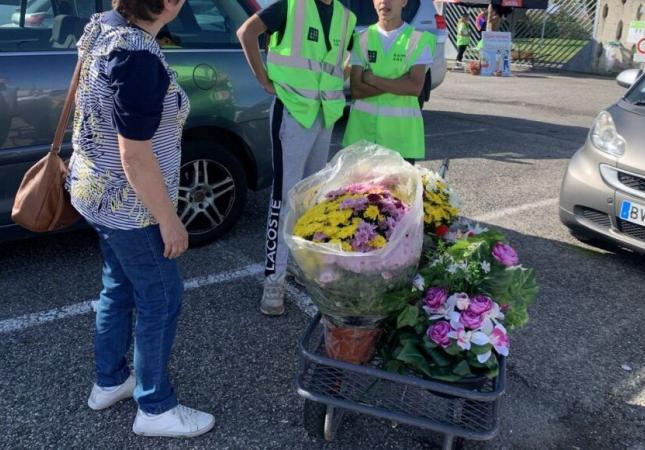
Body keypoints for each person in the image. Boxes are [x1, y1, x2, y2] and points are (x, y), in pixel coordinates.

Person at [66, 0, 215, 438]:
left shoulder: (102, 27)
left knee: (119, 285)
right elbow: (135, 156)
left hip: (94, 192)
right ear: (167, 3)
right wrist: (170, 220)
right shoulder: (137, 56)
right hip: (131, 207)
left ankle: (109, 381)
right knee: (162, 296)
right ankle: (154, 407)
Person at [237, 0, 357, 316]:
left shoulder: (347, 18)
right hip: (293, 110)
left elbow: (342, 62)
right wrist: (263, 79)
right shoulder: (292, 6)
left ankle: (297, 266)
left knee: (311, 198)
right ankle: (273, 280)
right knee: (284, 196)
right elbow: (246, 32)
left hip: (324, 112)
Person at [342, 0, 436, 164]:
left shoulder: (417, 40)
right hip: (363, 139)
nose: (385, 2)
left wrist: (373, 79)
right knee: (361, 190)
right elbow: (357, 90)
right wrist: (399, 82)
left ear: (404, 2)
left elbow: (414, 87)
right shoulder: (362, 39)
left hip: (401, 141)